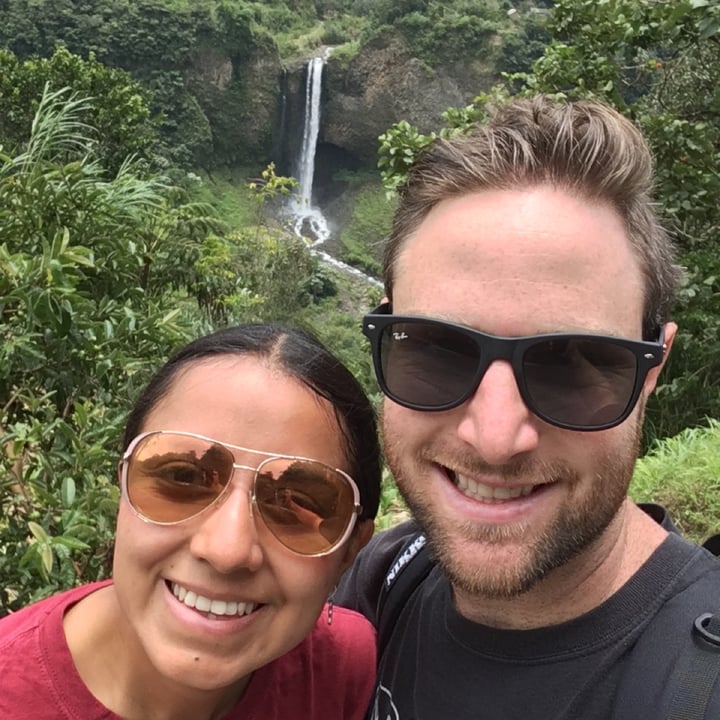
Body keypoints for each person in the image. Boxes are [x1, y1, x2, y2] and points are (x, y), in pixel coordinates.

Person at [336, 95, 720, 718]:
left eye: (570, 363)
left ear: (653, 369)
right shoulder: (385, 578)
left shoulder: (694, 683)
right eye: (438, 350)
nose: (495, 436)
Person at [0, 323, 382, 720]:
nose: (226, 550)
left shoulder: (346, 673)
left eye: (293, 504)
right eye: (182, 477)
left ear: (349, 550)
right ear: (123, 486)